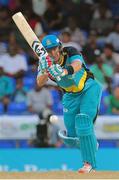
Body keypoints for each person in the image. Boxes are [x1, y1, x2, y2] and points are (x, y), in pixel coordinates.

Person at [37, 34, 102, 173]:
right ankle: (90, 143)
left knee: (83, 121)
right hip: (69, 96)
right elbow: (40, 82)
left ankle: (88, 164)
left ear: (59, 47)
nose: (52, 53)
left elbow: (77, 65)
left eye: (55, 49)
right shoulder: (45, 62)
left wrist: (64, 71)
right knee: (72, 137)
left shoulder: (70, 51)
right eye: (49, 50)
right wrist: (44, 71)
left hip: (88, 88)